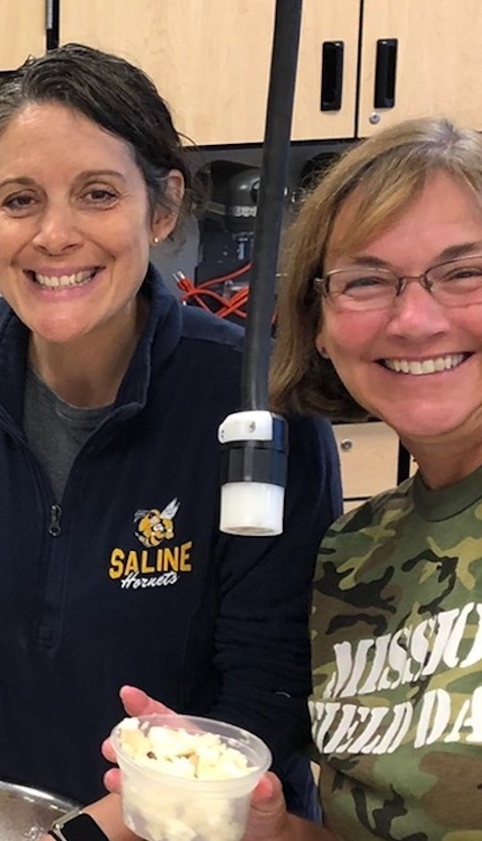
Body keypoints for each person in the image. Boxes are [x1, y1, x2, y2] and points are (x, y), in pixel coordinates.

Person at [0, 44, 342, 839]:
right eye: (20, 200)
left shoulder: (254, 405)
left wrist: (81, 835)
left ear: (164, 206)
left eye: (97, 194)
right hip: (12, 811)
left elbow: (267, 691)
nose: (54, 235)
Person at [129, 116, 482, 840]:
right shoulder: (355, 556)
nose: (414, 319)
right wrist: (263, 825)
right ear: (318, 322)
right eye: (366, 280)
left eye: (464, 272)